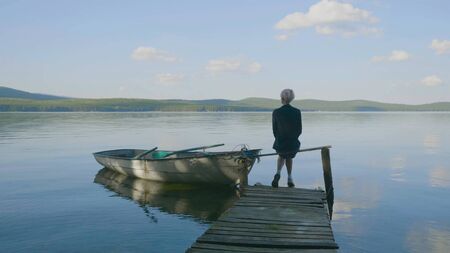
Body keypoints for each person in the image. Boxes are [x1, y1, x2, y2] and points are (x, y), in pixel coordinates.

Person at [271, 89, 302, 188]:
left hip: (280, 143)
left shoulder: (276, 112)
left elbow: (274, 130)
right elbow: (299, 130)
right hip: (293, 143)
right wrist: (292, 139)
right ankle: (289, 178)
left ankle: (278, 173)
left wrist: (280, 139)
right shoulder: (297, 112)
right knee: (289, 156)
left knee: (281, 155)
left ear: (282, 98)